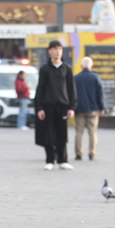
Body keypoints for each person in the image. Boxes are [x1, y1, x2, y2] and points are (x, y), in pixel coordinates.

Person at [35, 40, 77, 171]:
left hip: (63, 106)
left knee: (62, 134)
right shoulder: (45, 69)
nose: (57, 51)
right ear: (50, 51)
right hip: (48, 106)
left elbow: (71, 89)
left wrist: (72, 107)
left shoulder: (67, 69)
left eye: (59, 48)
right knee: (49, 134)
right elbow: (40, 89)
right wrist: (39, 107)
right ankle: (49, 160)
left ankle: (63, 160)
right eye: (54, 49)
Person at [73, 57, 105, 161]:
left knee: (79, 132)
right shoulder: (95, 77)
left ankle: (78, 154)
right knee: (92, 132)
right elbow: (100, 94)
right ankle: (92, 153)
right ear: (91, 66)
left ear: (81, 66)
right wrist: (102, 107)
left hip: (79, 109)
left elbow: (72, 94)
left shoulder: (76, 78)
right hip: (93, 109)